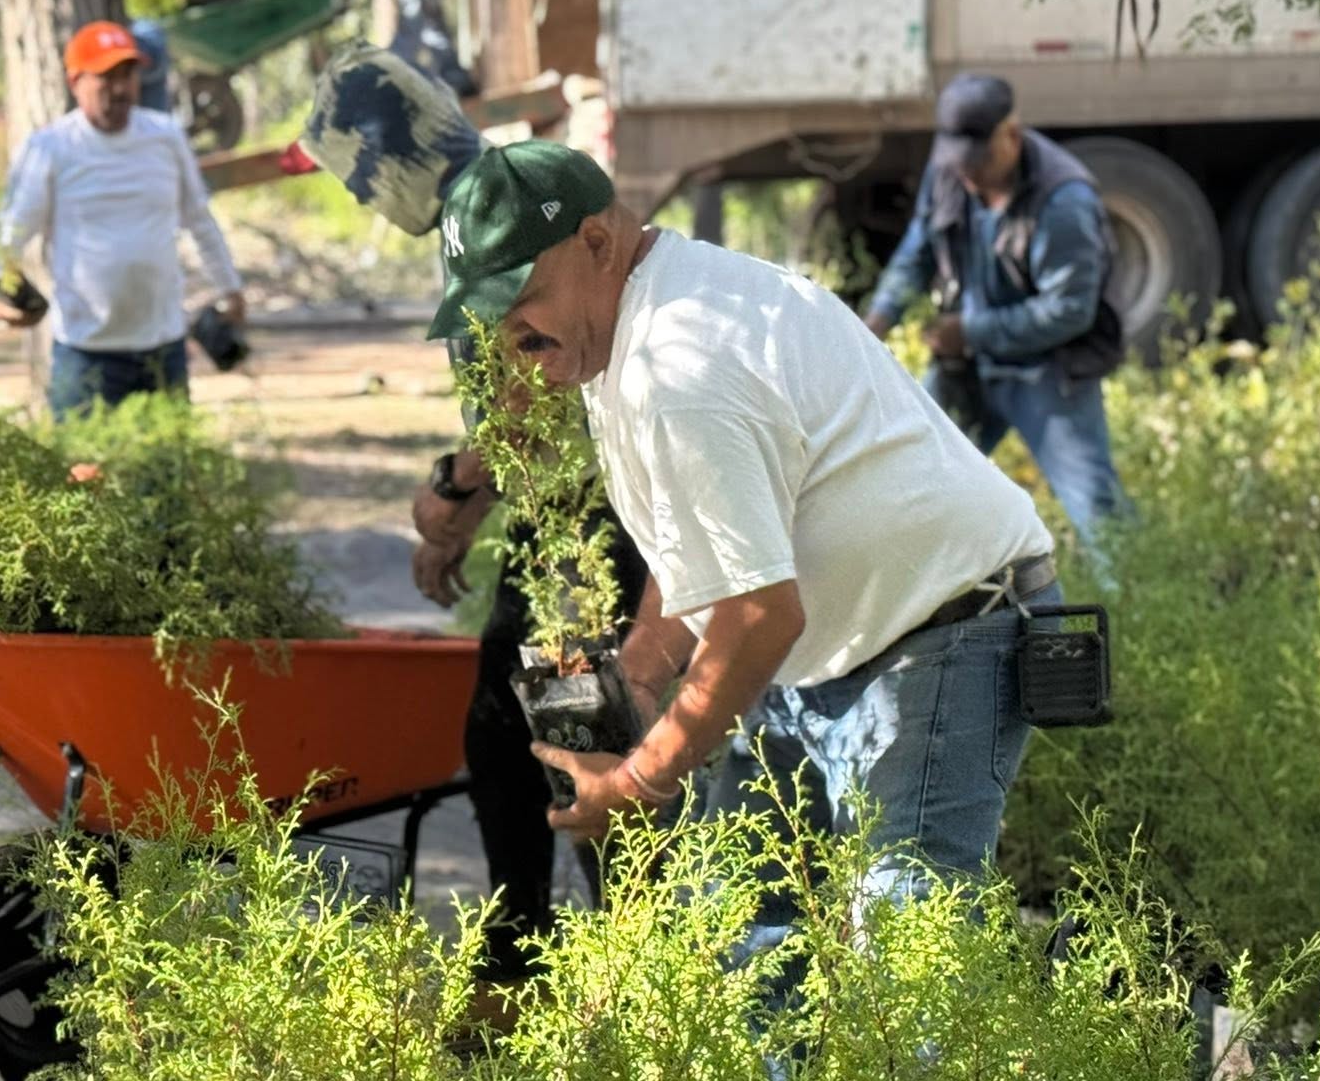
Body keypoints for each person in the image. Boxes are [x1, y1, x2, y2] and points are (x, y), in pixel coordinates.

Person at [426, 139, 1060, 958]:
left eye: (524, 298)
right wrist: (645, 668)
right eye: (489, 310)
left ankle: (1122, 1019)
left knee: (909, 948)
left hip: (947, 629)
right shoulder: (629, 325)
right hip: (834, 646)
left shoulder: (677, 366)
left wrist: (639, 779)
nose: (511, 332)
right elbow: (705, 539)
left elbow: (759, 613)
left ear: (595, 243)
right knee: (746, 932)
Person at [299, 46, 648, 985]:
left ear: (389, 151)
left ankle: (604, 974)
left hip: (588, 530)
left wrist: (451, 494)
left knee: (569, 740)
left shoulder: (482, 216)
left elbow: (534, 396)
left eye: (362, 177)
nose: (369, 200)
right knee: (511, 736)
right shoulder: (493, 192)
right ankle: (528, 962)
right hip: (569, 520)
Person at [863, 73, 1127, 551]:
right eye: (956, 165)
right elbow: (918, 248)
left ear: (1011, 136)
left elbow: (1069, 311)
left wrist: (972, 331)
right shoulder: (949, 169)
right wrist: (876, 321)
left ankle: (1138, 600)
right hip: (968, 369)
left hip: (1048, 374)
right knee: (906, 485)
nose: (966, 178)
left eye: (976, 164)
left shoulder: (1064, 201)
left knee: (1100, 518)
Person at [0, 20, 245, 418]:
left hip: (163, 347)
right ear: (76, 82)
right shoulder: (50, 149)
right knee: (83, 474)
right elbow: (11, 233)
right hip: (86, 353)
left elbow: (199, 219)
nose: (121, 89)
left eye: (128, 75)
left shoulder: (165, 137)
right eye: (106, 78)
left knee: (167, 475)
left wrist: (231, 288)